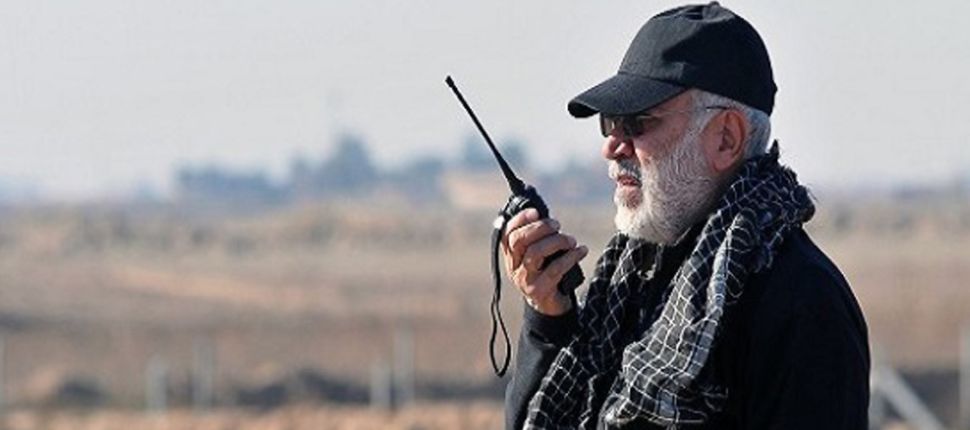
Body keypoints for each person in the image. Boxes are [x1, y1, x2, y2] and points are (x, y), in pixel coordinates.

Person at [501, 3, 870, 429]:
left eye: (637, 123)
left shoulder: (802, 303)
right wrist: (548, 320)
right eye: (610, 122)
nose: (612, 146)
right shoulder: (627, 283)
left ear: (726, 138)